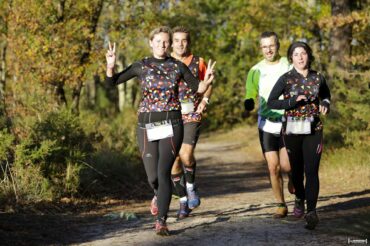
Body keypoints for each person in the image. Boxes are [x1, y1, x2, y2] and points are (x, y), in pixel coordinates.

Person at [105, 26, 216, 236]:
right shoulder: (142, 65)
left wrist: (206, 82)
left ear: (169, 44)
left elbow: (197, 88)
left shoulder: (177, 66)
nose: (162, 45)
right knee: (152, 177)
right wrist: (110, 67)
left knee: (164, 173)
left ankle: (161, 221)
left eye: (165, 42)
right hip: (146, 125)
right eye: (158, 41)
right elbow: (113, 82)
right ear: (151, 43)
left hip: (172, 124)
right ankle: (159, 193)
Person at [267, 41, 331, 230]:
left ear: (309, 56)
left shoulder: (318, 77)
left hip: (314, 130)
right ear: (291, 58)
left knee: (311, 171)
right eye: (296, 54)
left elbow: (326, 96)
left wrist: (325, 104)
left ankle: (311, 212)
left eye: (303, 53)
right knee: (296, 172)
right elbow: (271, 102)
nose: (300, 57)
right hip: (292, 130)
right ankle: (299, 197)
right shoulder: (285, 79)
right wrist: (292, 101)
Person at [243, 31, 293, 218]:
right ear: (261, 48)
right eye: (264, 46)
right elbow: (250, 91)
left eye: (271, 45)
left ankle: (293, 178)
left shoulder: (288, 65)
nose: (268, 49)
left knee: (287, 166)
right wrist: (248, 101)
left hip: (288, 121)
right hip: (266, 123)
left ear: (277, 45)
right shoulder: (255, 70)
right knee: (273, 167)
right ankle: (281, 204)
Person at [170, 26, 213, 219]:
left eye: (184, 40)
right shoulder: (165, 62)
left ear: (189, 42)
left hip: (192, 113)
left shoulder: (198, 62)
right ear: (171, 42)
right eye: (177, 40)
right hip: (169, 116)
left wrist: (204, 101)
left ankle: (191, 187)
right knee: (174, 160)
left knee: (185, 155)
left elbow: (208, 84)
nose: (180, 44)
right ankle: (183, 202)